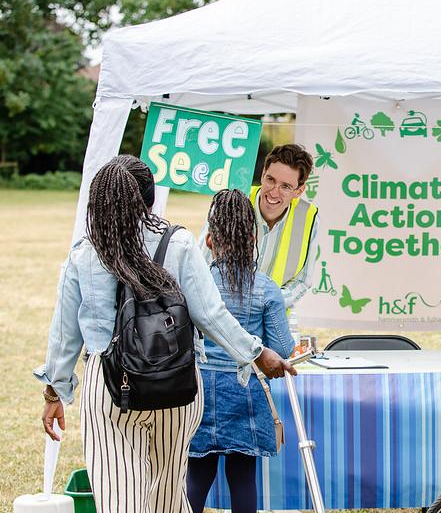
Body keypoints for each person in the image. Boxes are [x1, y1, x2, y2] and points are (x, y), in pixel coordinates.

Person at [36, 155, 296, 513]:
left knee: (119, 500)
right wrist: (256, 352)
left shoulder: (85, 253)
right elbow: (210, 314)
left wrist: (55, 391)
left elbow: (64, 335)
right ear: (150, 201)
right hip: (177, 382)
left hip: (110, 388)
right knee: (168, 498)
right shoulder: (180, 243)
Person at [188, 189, 294, 513]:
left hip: (198, 391)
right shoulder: (266, 288)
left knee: (197, 476)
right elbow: (282, 348)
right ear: (252, 238)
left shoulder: (195, 284)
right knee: (243, 476)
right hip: (246, 390)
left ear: (210, 240)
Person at [200, 144, 318, 312]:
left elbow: (302, 281)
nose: (274, 193)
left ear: (299, 190)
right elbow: (201, 265)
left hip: (271, 318)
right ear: (263, 174)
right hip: (222, 312)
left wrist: (267, 301)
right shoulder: (230, 203)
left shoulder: (308, 217)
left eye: (285, 186)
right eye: (271, 180)